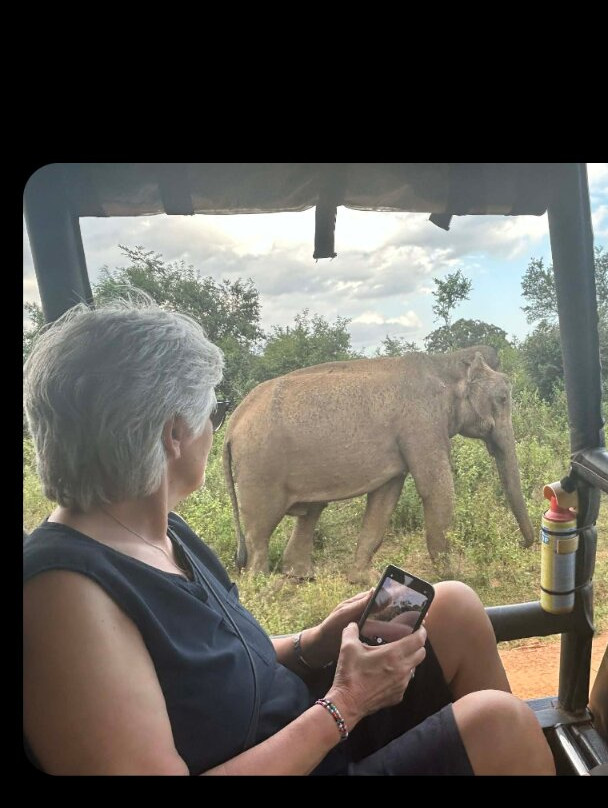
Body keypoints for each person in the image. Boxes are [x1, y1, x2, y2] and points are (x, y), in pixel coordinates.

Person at [22, 297, 555, 776]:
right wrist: (345, 705)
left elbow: (222, 663)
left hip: (296, 730)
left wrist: (314, 642)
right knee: (500, 723)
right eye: (210, 412)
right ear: (175, 434)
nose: (215, 429)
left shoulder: (158, 531)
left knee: (453, 607)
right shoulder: (62, 597)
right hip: (303, 746)